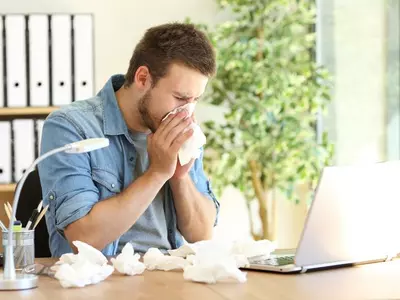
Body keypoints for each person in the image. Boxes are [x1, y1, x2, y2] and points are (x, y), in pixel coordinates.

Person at [38, 22, 220, 257]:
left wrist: (179, 177)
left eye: (195, 100)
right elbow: (82, 238)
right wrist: (157, 173)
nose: (186, 112)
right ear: (143, 78)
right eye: (180, 98)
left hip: (170, 277)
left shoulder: (181, 129)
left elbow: (202, 234)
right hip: (101, 283)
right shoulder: (70, 126)